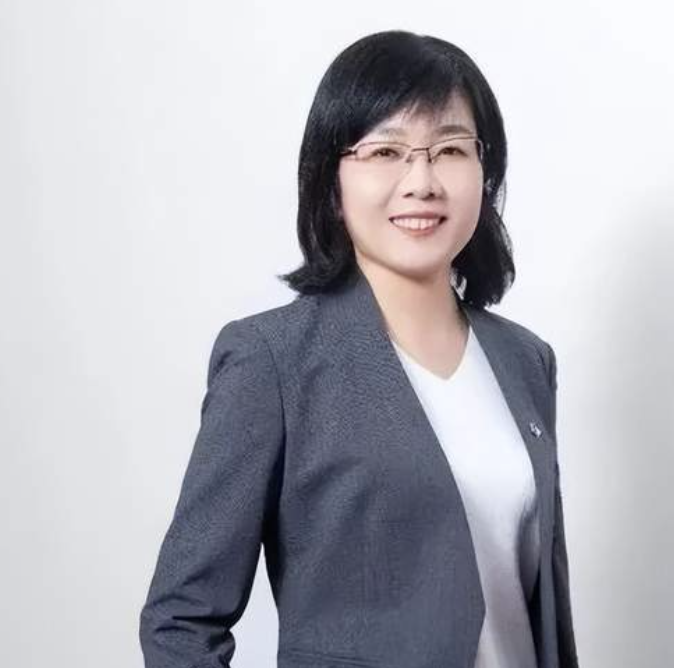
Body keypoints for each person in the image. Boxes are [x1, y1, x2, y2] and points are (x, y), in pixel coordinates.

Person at [139, 29, 580, 668]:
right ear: (332, 182)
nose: (422, 181)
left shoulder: (525, 360)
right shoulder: (272, 361)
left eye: (450, 149)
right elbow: (180, 621)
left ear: (485, 173)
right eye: (386, 152)